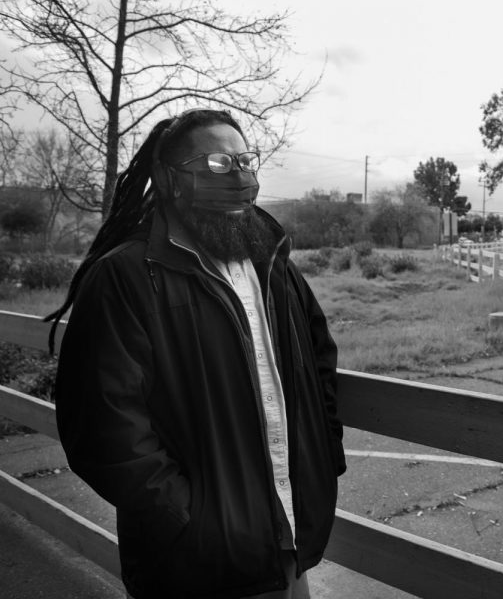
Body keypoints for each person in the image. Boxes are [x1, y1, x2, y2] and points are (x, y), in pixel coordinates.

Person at [47, 108, 346, 598]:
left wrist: (322, 459)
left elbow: (319, 364)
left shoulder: (273, 266)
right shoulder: (125, 277)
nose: (240, 176)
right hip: (193, 564)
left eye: (246, 161)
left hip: (288, 539)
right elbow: (102, 424)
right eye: (217, 164)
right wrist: (185, 517)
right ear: (168, 179)